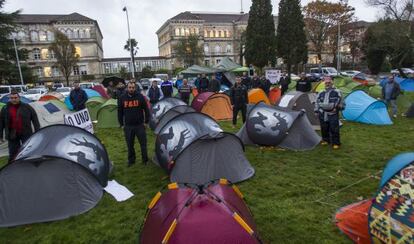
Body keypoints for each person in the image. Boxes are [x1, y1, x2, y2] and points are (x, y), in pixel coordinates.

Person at [0, 90, 40, 162]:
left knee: (27, 149)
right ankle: (12, 165)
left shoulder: (27, 107)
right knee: (13, 151)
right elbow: (1, 122)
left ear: (19, 98)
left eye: (15, 98)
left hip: (26, 132)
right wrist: (0, 136)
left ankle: (29, 162)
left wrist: (38, 131)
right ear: (9, 98)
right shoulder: (5, 108)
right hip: (12, 133)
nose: (14, 99)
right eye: (12, 98)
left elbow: (35, 119)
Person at [118, 82, 150, 166]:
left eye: (132, 87)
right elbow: (120, 112)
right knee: (130, 145)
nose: (131, 89)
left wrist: (146, 122)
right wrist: (121, 124)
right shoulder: (122, 98)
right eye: (129, 87)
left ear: (135, 88)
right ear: (127, 88)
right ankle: (131, 160)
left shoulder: (140, 97)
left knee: (143, 144)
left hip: (139, 125)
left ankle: (145, 160)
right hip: (128, 126)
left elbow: (146, 109)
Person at [315, 77, 343, 150]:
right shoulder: (321, 92)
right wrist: (316, 111)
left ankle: (336, 143)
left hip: (333, 113)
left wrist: (337, 108)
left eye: (329, 83)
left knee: (334, 128)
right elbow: (317, 102)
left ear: (332, 83)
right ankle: (326, 140)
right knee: (324, 127)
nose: (327, 84)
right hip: (322, 112)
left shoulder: (337, 92)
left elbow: (341, 102)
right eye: (326, 83)